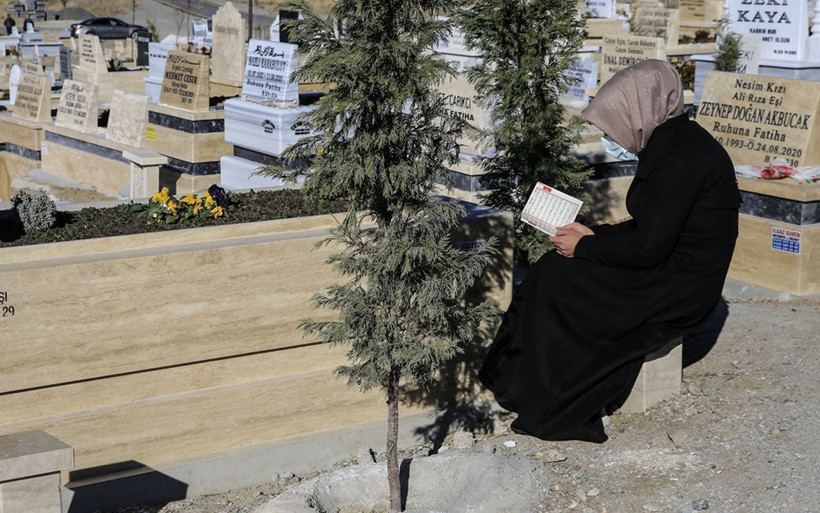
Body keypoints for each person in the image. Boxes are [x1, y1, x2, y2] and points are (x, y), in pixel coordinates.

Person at [479, 59, 740, 443]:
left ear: (640, 110)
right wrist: (595, 233)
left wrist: (585, 246)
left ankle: (534, 387)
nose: (609, 134)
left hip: (680, 286)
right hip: (674, 266)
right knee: (559, 269)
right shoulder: (676, 139)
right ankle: (520, 379)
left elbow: (650, 248)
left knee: (557, 278)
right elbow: (658, 228)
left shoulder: (677, 158)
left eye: (614, 122)